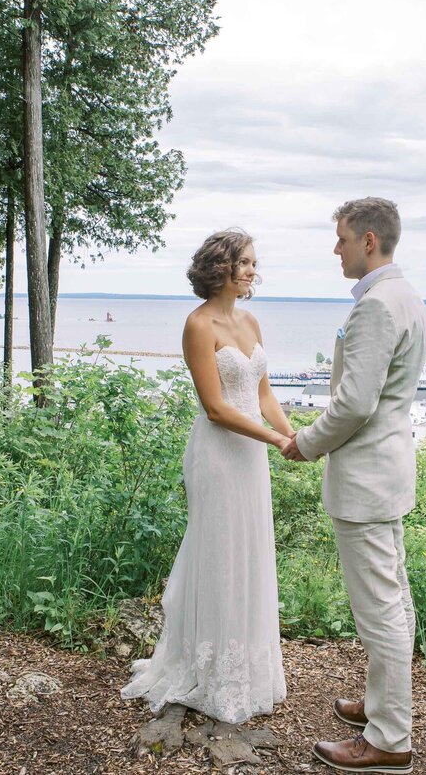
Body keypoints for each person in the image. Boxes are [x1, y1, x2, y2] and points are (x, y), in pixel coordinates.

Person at [282, 198, 426, 774]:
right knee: (393, 597)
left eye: (341, 239)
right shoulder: (407, 296)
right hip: (387, 472)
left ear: (369, 241)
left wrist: (306, 442)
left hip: (366, 477)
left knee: (380, 609)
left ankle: (390, 739)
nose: (336, 249)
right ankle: (379, 703)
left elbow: (354, 402)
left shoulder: (376, 305)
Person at [121, 228, 289, 723]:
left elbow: (264, 396)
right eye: (245, 262)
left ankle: (250, 668)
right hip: (218, 454)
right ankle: (210, 668)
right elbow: (216, 408)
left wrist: (294, 436)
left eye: (254, 262)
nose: (253, 270)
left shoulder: (252, 321)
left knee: (250, 548)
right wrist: (275, 440)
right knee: (219, 550)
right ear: (221, 267)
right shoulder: (198, 325)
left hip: (252, 454)